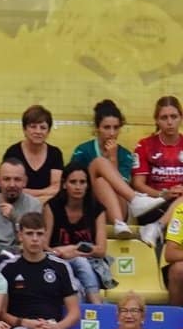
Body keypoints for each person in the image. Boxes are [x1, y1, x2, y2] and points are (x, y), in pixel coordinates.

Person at [0, 212, 91, 329]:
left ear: (45, 236)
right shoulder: (7, 268)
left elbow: (74, 312)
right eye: (29, 234)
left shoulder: (61, 266)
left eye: (39, 234)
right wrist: (24, 322)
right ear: (20, 236)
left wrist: (57, 327)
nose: (35, 239)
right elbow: (1, 313)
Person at [72, 99, 168, 240]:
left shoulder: (125, 154)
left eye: (116, 128)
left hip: (117, 207)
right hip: (87, 203)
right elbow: (74, 180)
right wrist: (108, 160)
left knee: (102, 182)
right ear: (97, 128)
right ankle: (135, 200)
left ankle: (119, 223)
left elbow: (120, 185)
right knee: (99, 165)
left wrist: (113, 159)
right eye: (106, 127)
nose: (112, 133)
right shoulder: (83, 150)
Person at [43, 164, 108, 303]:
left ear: (88, 185)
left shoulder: (97, 209)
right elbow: (44, 247)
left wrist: (73, 250)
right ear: (64, 184)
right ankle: (97, 305)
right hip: (57, 262)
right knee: (76, 282)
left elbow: (101, 250)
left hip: (90, 264)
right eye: (73, 182)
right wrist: (60, 253)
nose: (78, 186)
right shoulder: (52, 207)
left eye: (82, 182)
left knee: (80, 265)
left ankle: (95, 307)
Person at [132, 95, 183, 243]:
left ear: (180, 117)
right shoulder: (145, 145)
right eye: (164, 117)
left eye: (174, 117)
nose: (169, 122)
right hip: (155, 203)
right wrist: (162, 194)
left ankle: (157, 227)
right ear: (156, 120)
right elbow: (138, 184)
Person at [0, 159, 41, 256]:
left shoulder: (34, 205)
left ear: (25, 182)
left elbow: (34, 243)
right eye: (6, 179)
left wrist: (16, 220)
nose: (12, 184)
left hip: (25, 258)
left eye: (17, 179)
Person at [2, 104, 65, 202]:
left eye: (43, 127)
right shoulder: (13, 152)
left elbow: (56, 188)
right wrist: (42, 195)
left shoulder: (55, 154)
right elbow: (11, 188)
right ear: (24, 129)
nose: (38, 131)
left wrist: (31, 196)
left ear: (48, 131)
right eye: (33, 126)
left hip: (47, 203)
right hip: (18, 203)